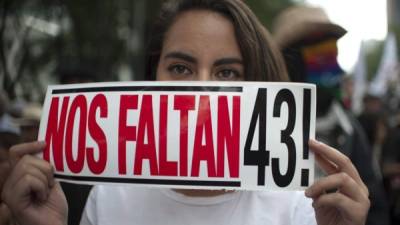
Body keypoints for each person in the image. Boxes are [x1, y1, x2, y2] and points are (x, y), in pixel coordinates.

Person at [1, 1, 370, 225]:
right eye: (180, 67)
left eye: (227, 72)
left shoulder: (299, 207)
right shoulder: (109, 196)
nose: (202, 89)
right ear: (153, 74)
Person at [272, 5, 389, 225]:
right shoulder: (262, 127)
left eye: (333, 55)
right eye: (321, 58)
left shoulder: (349, 129)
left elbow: (376, 208)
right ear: (291, 64)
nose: (336, 70)